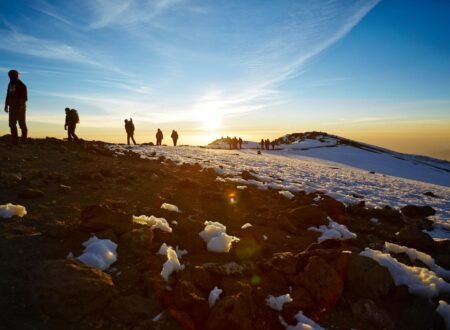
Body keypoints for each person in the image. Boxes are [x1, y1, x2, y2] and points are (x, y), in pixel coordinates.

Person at [4, 69, 28, 144]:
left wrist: (19, 108)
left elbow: (24, 99)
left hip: (20, 108)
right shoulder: (10, 84)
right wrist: (6, 105)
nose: (10, 78)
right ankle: (15, 141)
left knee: (22, 124)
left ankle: (23, 140)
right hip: (12, 107)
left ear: (16, 76)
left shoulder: (22, 85)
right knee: (11, 124)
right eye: (9, 76)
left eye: (11, 76)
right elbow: (8, 95)